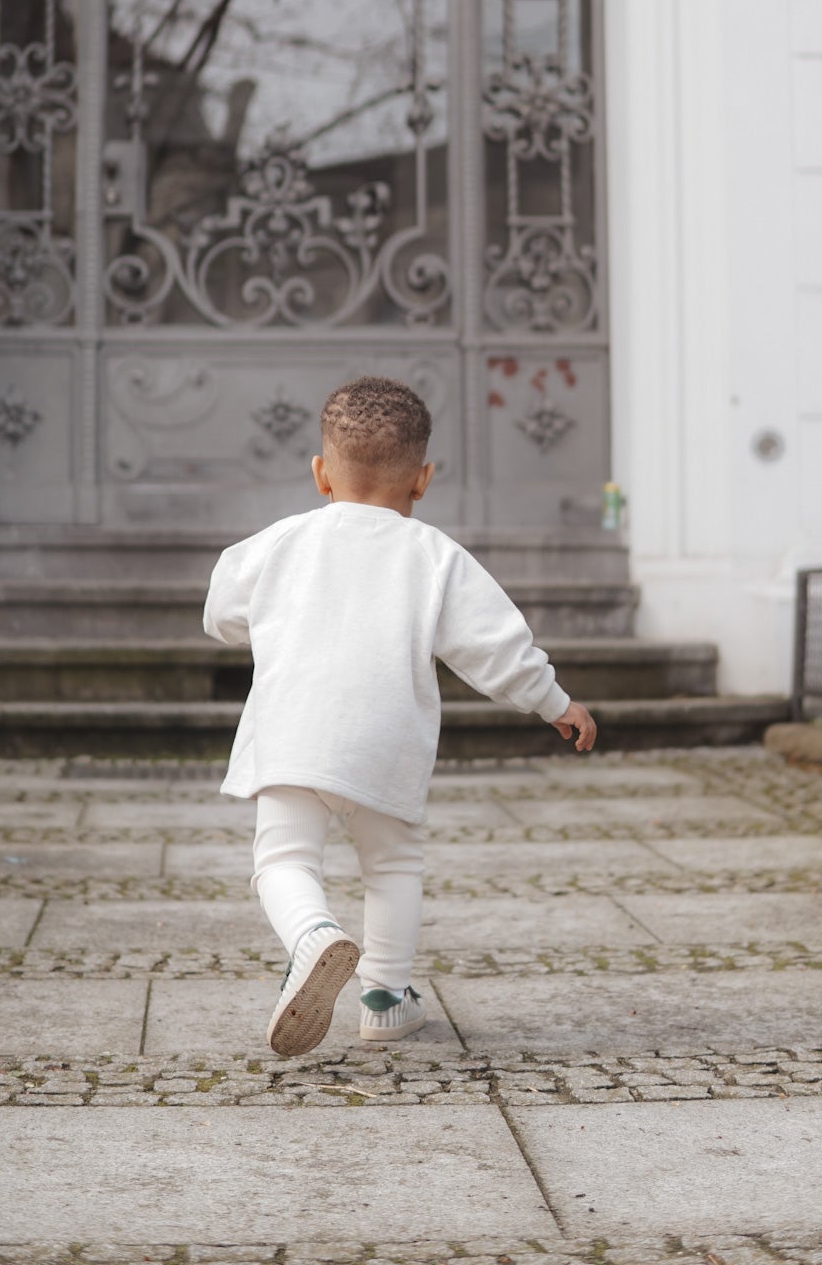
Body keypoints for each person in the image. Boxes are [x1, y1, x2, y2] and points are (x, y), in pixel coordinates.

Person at [203, 374, 598, 1058]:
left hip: (293, 728)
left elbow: (221, 614)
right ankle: (385, 997)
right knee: (393, 866)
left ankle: (313, 937)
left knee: (284, 860)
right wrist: (555, 702)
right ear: (424, 478)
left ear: (321, 474)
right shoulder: (436, 557)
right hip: (386, 735)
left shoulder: (280, 543)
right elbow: (495, 648)